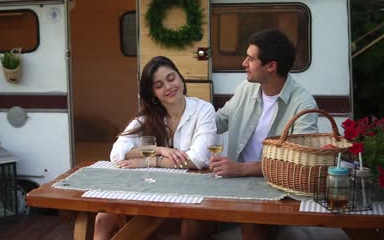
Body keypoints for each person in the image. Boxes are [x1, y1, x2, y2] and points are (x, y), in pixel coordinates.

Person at [182, 29, 319, 240]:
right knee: (192, 218)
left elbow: (298, 163)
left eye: (251, 58)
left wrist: (241, 168)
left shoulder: (303, 104)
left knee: (252, 226)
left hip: (274, 189)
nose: (244, 63)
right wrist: (178, 113)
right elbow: (216, 122)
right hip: (234, 185)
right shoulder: (245, 89)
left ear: (271, 66)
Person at [94, 56, 217, 240]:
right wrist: (159, 149)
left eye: (171, 78)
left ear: (180, 79)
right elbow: (117, 152)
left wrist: (148, 161)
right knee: (103, 218)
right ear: (153, 93)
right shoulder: (148, 117)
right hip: (153, 191)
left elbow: (197, 159)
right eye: (159, 85)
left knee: (193, 223)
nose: (168, 87)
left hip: (193, 190)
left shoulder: (203, 109)